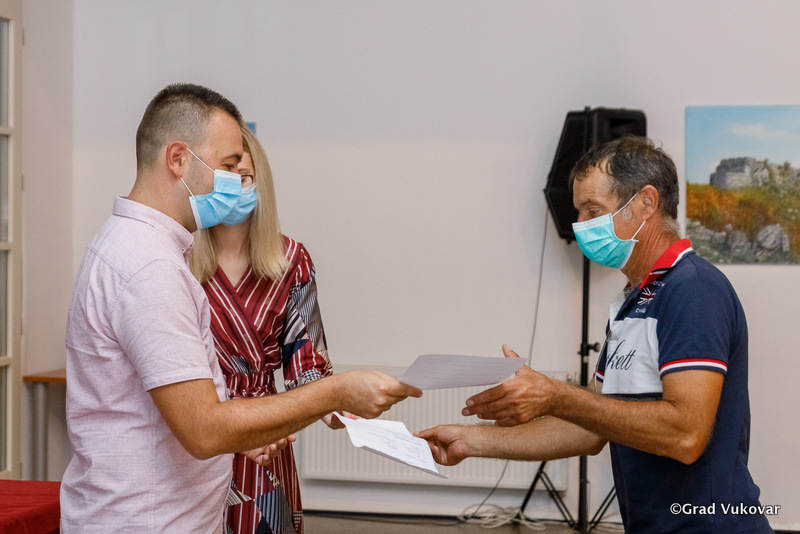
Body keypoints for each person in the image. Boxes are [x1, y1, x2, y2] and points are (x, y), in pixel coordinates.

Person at [61, 83, 421, 533]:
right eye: (228, 166)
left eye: (242, 170)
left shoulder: (131, 245)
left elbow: (173, 408)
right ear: (178, 159)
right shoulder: (152, 266)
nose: (235, 181)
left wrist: (252, 427)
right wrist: (337, 392)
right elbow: (204, 429)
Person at [417, 136, 772, 533]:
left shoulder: (692, 289)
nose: (581, 225)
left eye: (592, 210)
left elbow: (686, 434)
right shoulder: (635, 299)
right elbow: (587, 427)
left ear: (646, 202)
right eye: (579, 212)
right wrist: (469, 441)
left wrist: (556, 396)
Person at [190, 124, 341, 534]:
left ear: (262, 183)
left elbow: (306, 358)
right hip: (199, 430)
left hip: (266, 435)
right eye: (226, 177)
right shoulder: (180, 258)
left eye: (245, 177)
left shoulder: (291, 259)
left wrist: (333, 403)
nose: (235, 187)